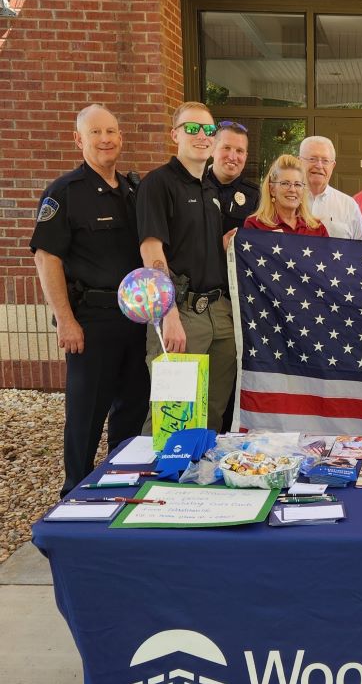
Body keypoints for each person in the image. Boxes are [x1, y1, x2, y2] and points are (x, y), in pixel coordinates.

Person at [30, 104, 150, 496]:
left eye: (111, 131)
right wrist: (65, 320)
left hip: (134, 321)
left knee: (131, 409)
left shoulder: (133, 191)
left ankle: (120, 484)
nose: (105, 139)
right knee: (85, 415)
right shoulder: (64, 194)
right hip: (91, 322)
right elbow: (47, 257)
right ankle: (74, 492)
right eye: (96, 133)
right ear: (79, 140)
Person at [137, 101, 235, 433]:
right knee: (172, 415)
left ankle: (199, 481)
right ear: (174, 134)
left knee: (212, 414)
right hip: (180, 310)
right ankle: (157, 482)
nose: (202, 136)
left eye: (208, 130)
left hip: (218, 313)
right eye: (192, 128)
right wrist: (167, 314)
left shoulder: (210, 188)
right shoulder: (158, 184)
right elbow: (151, 248)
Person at [298, 136, 362, 241]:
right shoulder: (287, 200)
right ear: (299, 161)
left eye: (325, 161)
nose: (319, 165)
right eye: (312, 159)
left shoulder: (349, 206)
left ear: (333, 166)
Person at [245, 154, 328, 236]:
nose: (292, 189)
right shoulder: (254, 225)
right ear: (272, 189)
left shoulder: (318, 229)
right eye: (285, 183)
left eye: (297, 184)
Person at [206, 120, 260, 234]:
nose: (232, 157)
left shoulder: (257, 196)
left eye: (239, 151)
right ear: (212, 149)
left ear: (245, 156)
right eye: (226, 148)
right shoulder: (192, 186)